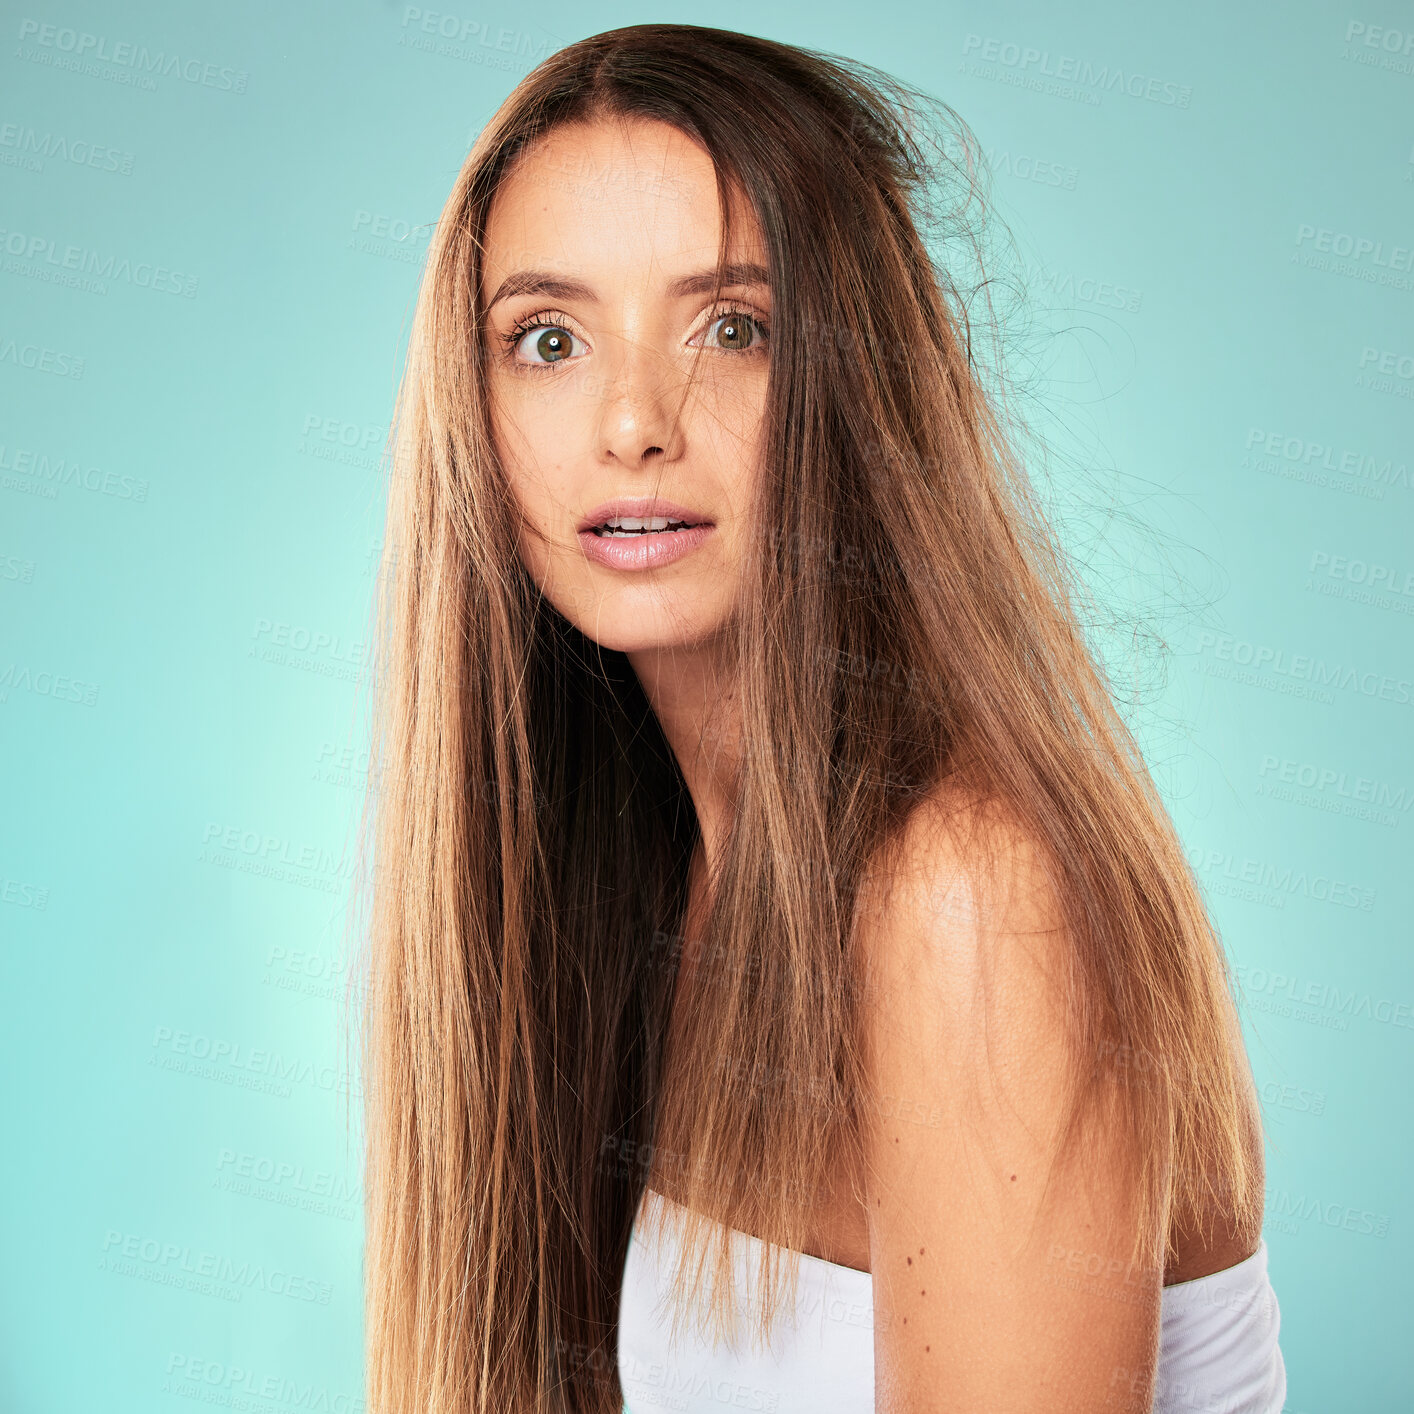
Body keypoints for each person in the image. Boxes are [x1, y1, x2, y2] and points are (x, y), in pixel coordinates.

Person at [353, 23, 1286, 1414]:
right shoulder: (645, 882)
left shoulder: (970, 899)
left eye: (732, 325)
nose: (631, 422)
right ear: (470, 411)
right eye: (547, 339)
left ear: (858, 381)